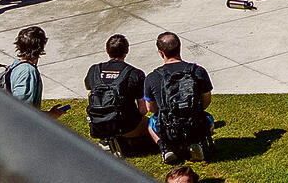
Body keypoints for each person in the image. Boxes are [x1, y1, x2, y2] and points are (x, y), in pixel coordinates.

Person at [144, 32, 213, 164]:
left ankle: (166, 149)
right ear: (179, 48)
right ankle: (196, 142)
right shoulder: (198, 71)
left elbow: (151, 108)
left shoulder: (152, 78)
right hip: (196, 125)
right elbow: (206, 100)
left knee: (151, 122)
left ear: (161, 52)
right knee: (208, 117)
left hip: (168, 129)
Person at [85, 34, 148, 149]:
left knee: (90, 93)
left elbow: (89, 89)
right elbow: (143, 110)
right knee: (152, 124)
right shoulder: (135, 73)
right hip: (127, 127)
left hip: (99, 125)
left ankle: (107, 137)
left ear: (107, 50)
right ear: (127, 50)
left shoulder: (94, 70)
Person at [6, 26, 47, 106]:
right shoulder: (27, 72)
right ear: (41, 48)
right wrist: (51, 114)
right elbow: (22, 110)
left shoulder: (17, 65)